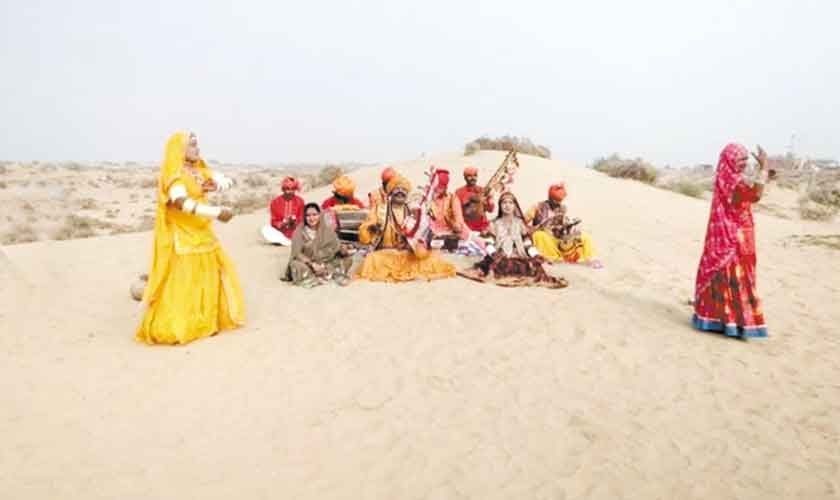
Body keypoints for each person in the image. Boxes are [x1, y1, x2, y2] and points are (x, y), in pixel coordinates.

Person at [136, 131, 245, 345]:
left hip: (202, 232)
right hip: (183, 236)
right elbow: (181, 202)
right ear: (181, 149)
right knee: (184, 281)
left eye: (197, 144)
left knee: (208, 276)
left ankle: (205, 323)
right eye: (193, 145)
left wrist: (216, 183)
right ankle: (180, 326)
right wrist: (216, 212)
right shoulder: (174, 173)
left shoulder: (195, 170)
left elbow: (222, 180)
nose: (197, 149)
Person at [692, 143, 773, 339]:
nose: (744, 163)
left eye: (746, 158)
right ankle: (735, 323)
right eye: (740, 159)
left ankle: (715, 319)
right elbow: (755, 195)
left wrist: (763, 174)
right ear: (730, 161)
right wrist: (764, 167)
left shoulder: (724, 178)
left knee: (724, 275)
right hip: (735, 237)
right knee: (736, 276)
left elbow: (749, 192)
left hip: (727, 235)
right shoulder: (734, 182)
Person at [355, 175, 456, 282]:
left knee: (432, 257)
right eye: (397, 189)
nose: (400, 192)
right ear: (390, 192)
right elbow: (364, 237)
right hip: (386, 254)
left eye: (403, 189)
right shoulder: (380, 209)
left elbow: (424, 232)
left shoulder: (413, 211)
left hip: (408, 254)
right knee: (371, 260)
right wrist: (371, 229)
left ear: (407, 193)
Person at [459, 192, 567, 289]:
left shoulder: (520, 223)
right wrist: (494, 253)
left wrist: (535, 255)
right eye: (504, 203)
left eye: (510, 203)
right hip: (499, 257)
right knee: (498, 266)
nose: (507, 205)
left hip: (519, 257)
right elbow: (489, 243)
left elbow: (527, 243)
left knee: (534, 267)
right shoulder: (494, 224)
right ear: (500, 206)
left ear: (514, 206)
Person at [528, 183, 601, 268]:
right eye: (556, 200)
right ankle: (551, 259)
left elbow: (562, 227)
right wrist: (540, 227)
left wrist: (568, 227)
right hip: (545, 240)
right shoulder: (537, 207)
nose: (558, 203)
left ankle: (592, 259)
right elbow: (522, 225)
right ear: (550, 197)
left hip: (558, 240)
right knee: (539, 235)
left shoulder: (563, 208)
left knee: (584, 236)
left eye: (560, 200)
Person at [282, 203, 353, 287]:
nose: (311, 218)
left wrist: (343, 250)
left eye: (314, 215)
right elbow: (297, 253)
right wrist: (312, 264)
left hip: (326, 262)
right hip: (308, 264)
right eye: (308, 215)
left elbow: (336, 247)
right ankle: (321, 275)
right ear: (304, 217)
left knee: (348, 259)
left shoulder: (327, 230)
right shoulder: (299, 232)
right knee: (296, 265)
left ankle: (326, 272)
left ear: (320, 215)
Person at [263, 176, 304, 245]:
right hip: (281, 232)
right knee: (265, 229)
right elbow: (273, 221)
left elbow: (302, 218)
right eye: (287, 189)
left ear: (295, 189)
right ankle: (284, 241)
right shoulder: (275, 202)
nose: (289, 192)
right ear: (283, 189)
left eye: (292, 189)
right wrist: (282, 223)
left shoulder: (300, 201)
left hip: (296, 231)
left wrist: (294, 222)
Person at [455, 166, 495, 233]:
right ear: (465, 178)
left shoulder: (482, 190)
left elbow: (490, 210)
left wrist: (490, 198)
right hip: (467, 228)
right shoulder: (459, 192)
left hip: (483, 227)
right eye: (469, 176)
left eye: (475, 175)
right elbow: (457, 212)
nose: (473, 178)